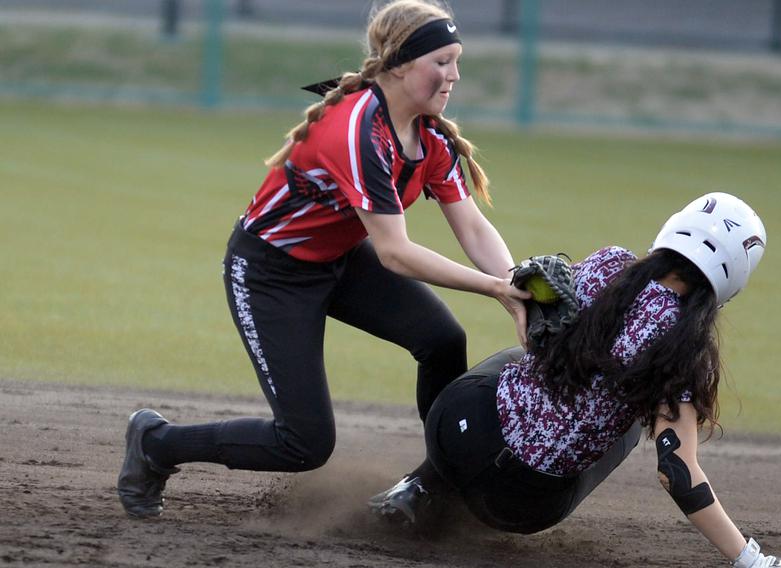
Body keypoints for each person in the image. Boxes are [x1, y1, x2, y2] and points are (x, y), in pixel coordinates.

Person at [117, 0, 531, 519]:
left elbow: (470, 224)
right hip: (271, 272)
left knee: (442, 340)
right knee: (303, 444)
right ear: (401, 63)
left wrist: (515, 283)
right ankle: (156, 442)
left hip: (339, 259)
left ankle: (440, 480)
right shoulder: (358, 131)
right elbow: (396, 253)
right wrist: (492, 289)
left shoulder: (427, 134)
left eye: (457, 60)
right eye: (442, 62)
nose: (454, 75)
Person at [369, 193, 781, 567]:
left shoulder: (610, 263)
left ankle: (420, 484)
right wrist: (752, 561)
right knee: (636, 420)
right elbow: (677, 471)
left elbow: (537, 307)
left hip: (456, 428)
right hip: (520, 504)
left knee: (521, 360)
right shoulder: (684, 350)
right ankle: (449, 502)